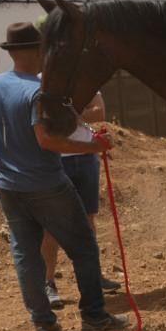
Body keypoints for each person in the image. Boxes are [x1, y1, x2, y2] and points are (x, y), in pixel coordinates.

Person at [0, 22, 128, 331]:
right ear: (38, 51)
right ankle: (94, 317)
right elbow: (47, 141)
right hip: (44, 183)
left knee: (25, 252)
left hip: (7, 185)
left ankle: (43, 323)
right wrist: (93, 146)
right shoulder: (37, 93)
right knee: (84, 247)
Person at [40, 89, 121, 308]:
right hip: (56, 159)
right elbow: (42, 118)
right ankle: (48, 282)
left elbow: (99, 111)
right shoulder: (41, 81)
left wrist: (68, 114)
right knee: (51, 225)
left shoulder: (82, 79)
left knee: (88, 220)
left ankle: (92, 276)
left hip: (86, 158)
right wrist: (79, 112)